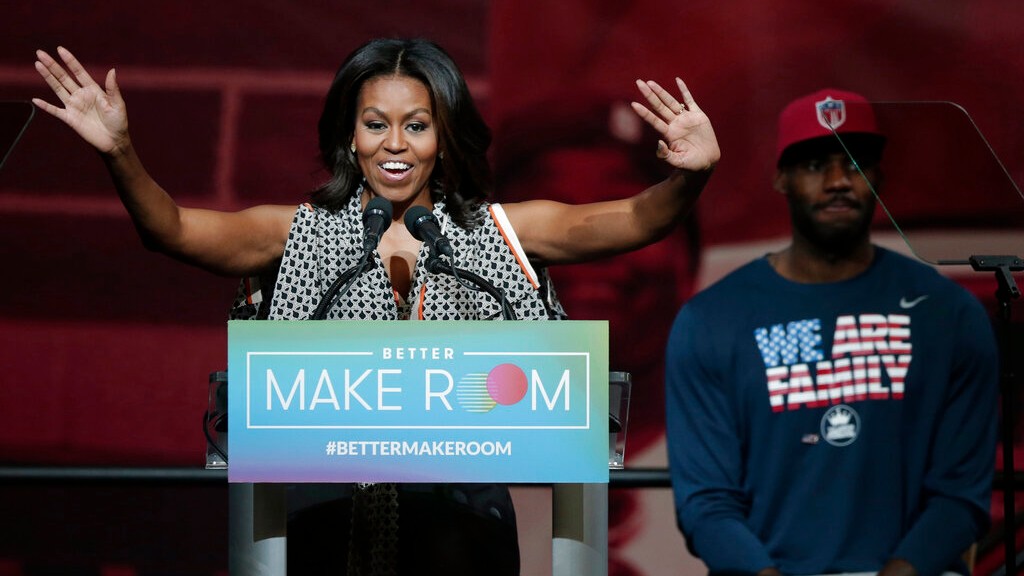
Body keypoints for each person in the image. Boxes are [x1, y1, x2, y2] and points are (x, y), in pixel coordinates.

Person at [33, 38, 719, 575]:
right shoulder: (296, 231)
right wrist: (120, 153)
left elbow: (634, 220)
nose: (395, 144)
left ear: (443, 136)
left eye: (416, 125)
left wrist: (689, 178)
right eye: (375, 124)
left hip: (463, 537)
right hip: (321, 528)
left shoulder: (498, 231)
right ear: (349, 136)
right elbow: (173, 230)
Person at [664, 88, 998, 576]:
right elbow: (706, 504)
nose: (840, 181)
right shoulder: (711, 321)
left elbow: (960, 494)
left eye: (856, 163)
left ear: (879, 176)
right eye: (817, 165)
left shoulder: (948, 313)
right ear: (782, 178)